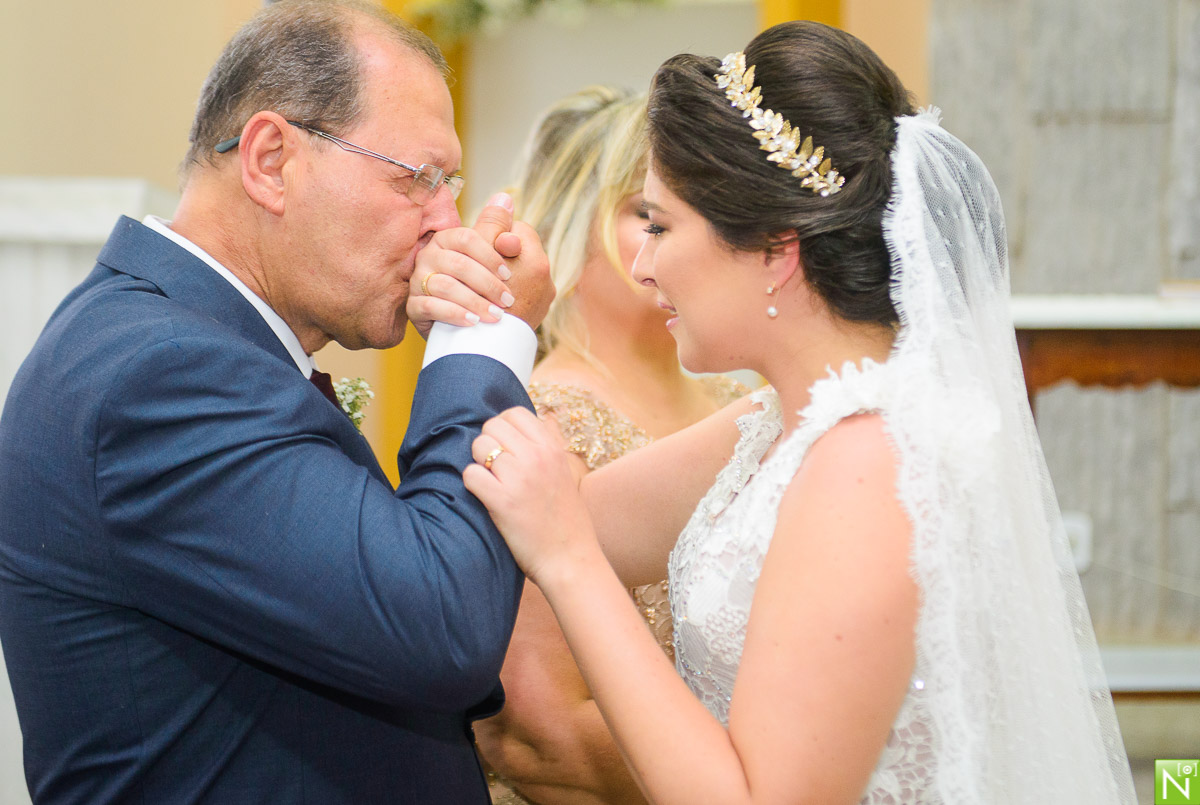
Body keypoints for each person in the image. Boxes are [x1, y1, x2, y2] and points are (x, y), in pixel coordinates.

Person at [457, 21, 1138, 804]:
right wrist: (492, 323)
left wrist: (569, 561)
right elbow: (537, 518)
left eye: (662, 225)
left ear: (777, 248)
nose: (643, 266)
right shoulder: (777, 421)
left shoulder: (869, 460)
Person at [0, 1, 553, 803]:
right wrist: (483, 332)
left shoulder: (186, 343)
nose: (447, 223)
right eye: (418, 180)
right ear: (269, 160)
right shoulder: (157, 373)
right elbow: (439, 622)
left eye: (451, 185)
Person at [473, 86, 745, 805]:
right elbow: (537, 729)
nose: (683, 241)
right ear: (570, 225)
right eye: (647, 216)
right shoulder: (541, 424)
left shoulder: (728, 399)